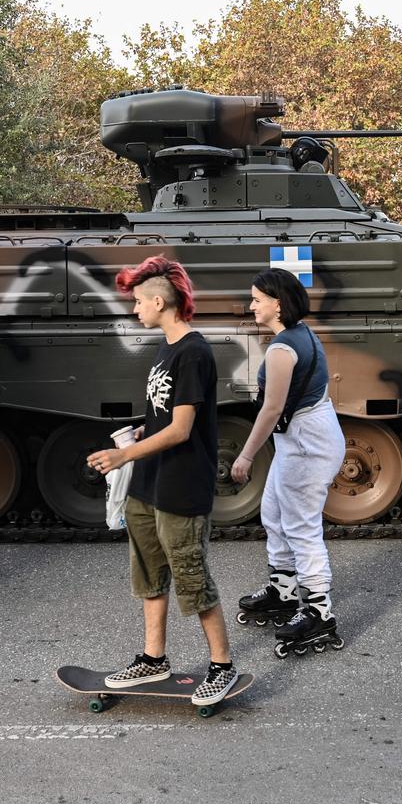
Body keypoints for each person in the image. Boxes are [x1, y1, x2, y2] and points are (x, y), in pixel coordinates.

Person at [86, 256, 238, 707]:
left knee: (192, 580)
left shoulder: (193, 351)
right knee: (150, 576)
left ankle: (222, 665)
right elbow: (162, 419)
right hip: (147, 485)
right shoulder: (166, 347)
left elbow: (182, 429)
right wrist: (137, 432)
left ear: (159, 302)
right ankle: (154, 659)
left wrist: (122, 454)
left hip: (180, 487)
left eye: (137, 302)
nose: (134, 310)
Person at [230, 268, 346, 653]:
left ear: (277, 304)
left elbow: (271, 408)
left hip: (306, 443)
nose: (251, 306)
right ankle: (283, 590)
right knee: (274, 512)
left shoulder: (283, 349)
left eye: (257, 299)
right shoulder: (302, 334)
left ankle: (318, 612)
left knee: (301, 526)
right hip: (304, 436)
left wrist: (246, 455)